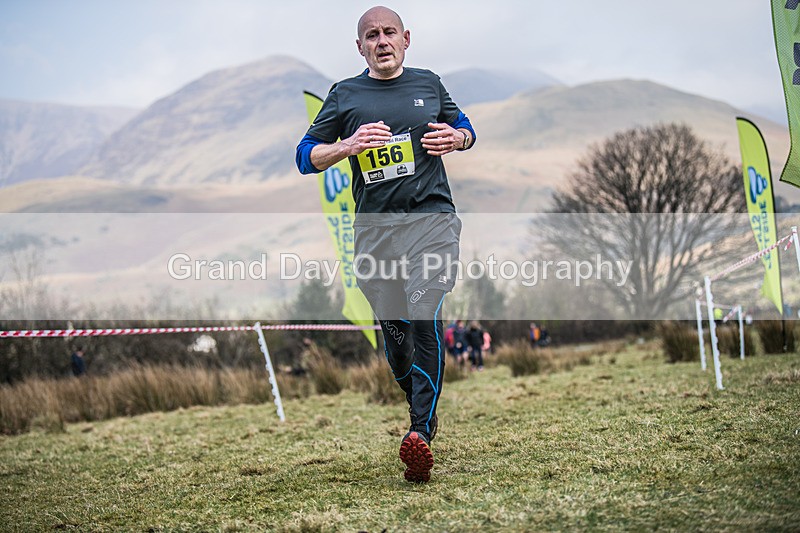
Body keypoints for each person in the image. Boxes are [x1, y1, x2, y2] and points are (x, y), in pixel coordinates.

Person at [295, 6, 476, 483]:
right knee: (396, 339)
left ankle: (419, 432)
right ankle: (423, 410)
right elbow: (303, 157)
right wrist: (346, 146)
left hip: (431, 221)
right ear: (360, 47)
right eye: (371, 35)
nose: (381, 41)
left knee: (424, 312)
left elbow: (467, 127)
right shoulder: (345, 95)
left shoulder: (429, 84)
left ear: (406, 38)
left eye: (389, 32)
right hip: (375, 232)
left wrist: (456, 139)